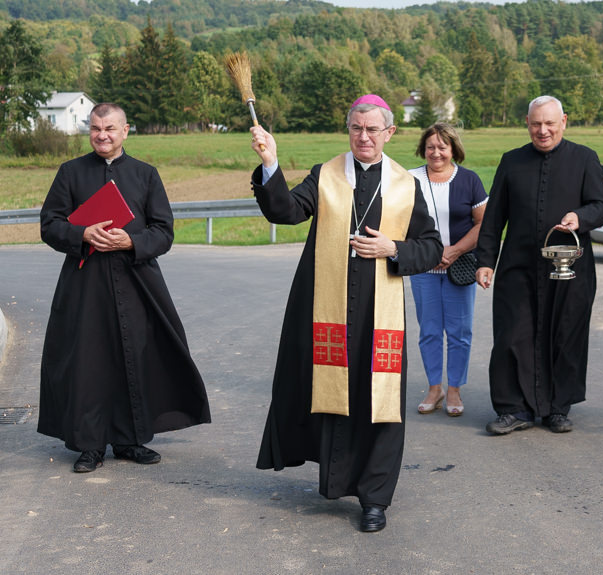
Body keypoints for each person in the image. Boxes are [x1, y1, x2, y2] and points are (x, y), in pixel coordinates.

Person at [250, 94, 442, 532]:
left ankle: (375, 499)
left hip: (380, 314)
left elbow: (431, 246)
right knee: (333, 394)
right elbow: (286, 210)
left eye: (373, 129)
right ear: (349, 130)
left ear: (389, 133)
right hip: (325, 308)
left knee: (380, 403)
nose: (364, 137)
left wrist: (392, 248)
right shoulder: (326, 175)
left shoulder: (406, 185)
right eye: (357, 128)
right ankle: (336, 484)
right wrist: (270, 163)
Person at [38, 103, 211, 473]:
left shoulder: (146, 175)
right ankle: (89, 445)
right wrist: (82, 233)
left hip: (137, 282)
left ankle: (130, 440)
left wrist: (130, 243)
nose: (103, 135)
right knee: (89, 364)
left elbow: (164, 232)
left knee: (137, 357)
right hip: (84, 286)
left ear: (126, 130)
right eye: (96, 128)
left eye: (110, 128)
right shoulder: (70, 173)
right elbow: (49, 225)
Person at [475, 95, 603, 435]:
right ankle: (513, 409)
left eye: (550, 123)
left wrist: (580, 217)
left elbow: (602, 206)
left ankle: (557, 408)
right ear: (527, 122)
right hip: (517, 267)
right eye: (536, 124)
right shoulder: (511, 161)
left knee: (564, 336)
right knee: (512, 336)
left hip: (570, 271)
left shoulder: (584, 159)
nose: (543, 130)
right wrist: (485, 261)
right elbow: (494, 218)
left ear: (563, 121)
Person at [409, 123, 487, 417]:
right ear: (423, 149)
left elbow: (483, 223)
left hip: (460, 268)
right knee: (428, 331)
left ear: (453, 149)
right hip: (423, 269)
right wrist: (424, 253)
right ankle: (434, 388)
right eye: (430, 146)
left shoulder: (469, 180)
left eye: (443, 147)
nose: (436, 152)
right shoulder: (410, 179)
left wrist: (454, 251)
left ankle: (454, 389)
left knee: (459, 332)